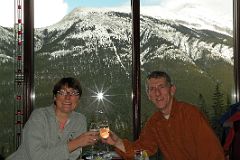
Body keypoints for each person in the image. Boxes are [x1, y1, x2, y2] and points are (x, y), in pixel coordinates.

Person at [103, 71, 225, 160]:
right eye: (152, 89)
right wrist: (117, 142)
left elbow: (213, 154)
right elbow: (142, 149)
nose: (157, 93)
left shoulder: (191, 114)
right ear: (149, 96)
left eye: (161, 87)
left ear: (172, 90)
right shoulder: (154, 122)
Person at [6, 77, 99, 160]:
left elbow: (73, 156)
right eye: (62, 93)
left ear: (78, 99)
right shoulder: (39, 116)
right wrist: (77, 142)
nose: (67, 97)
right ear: (55, 97)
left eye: (74, 93)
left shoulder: (80, 120)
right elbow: (36, 156)